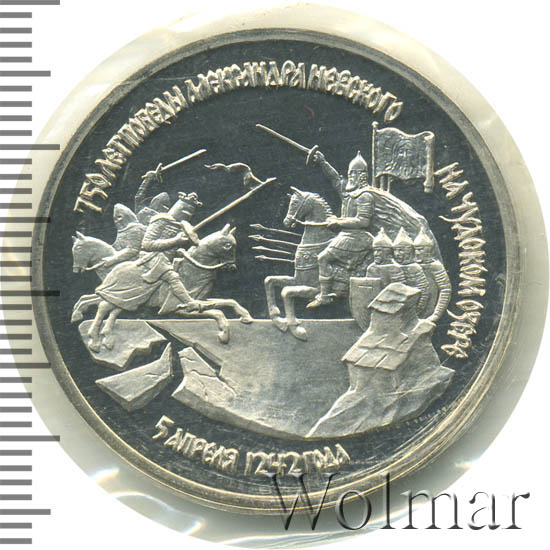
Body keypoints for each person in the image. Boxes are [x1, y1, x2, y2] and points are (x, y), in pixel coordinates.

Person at [306, 150, 374, 308]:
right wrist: (323, 162)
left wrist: (338, 221)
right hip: (345, 235)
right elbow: (335, 178)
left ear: (362, 176)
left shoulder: (365, 196)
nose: (350, 177)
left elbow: (363, 221)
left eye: (354, 174)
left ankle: (324, 296)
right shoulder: (348, 193)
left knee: (323, 258)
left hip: (358, 237)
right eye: (350, 173)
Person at [138, 192, 203, 313]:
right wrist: (176, 241)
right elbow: (147, 244)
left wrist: (178, 250)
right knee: (172, 277)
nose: (187, 214)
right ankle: (189, 303)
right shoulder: (161, 221)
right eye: (185, 210)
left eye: (191, 212)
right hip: (151, 257)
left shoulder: (181, 226)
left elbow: (171, 247)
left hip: (166, 259)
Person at [414, 227, 452, 323]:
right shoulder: (412, 266)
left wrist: (436, 314)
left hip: (428, 313)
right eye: (415, 250)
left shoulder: (435, 267)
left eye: (420, 249)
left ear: (428, 250)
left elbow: (445, 290)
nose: (417, 253)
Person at [392, 227, 429, 314]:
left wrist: (417, 310)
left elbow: (424, 291)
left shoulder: (415, 268)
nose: (397, 254)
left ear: (408, 251)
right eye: (395, 250)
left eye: (401, 250)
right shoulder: (392, 267)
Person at [102, 204, 146, 269]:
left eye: (119, 217)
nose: (116, 221)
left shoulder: (135, 229)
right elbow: (116, 247)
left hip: (137, 265)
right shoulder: (122, 231)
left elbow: (132, 250)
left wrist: (112, 259)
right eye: (115, 219)